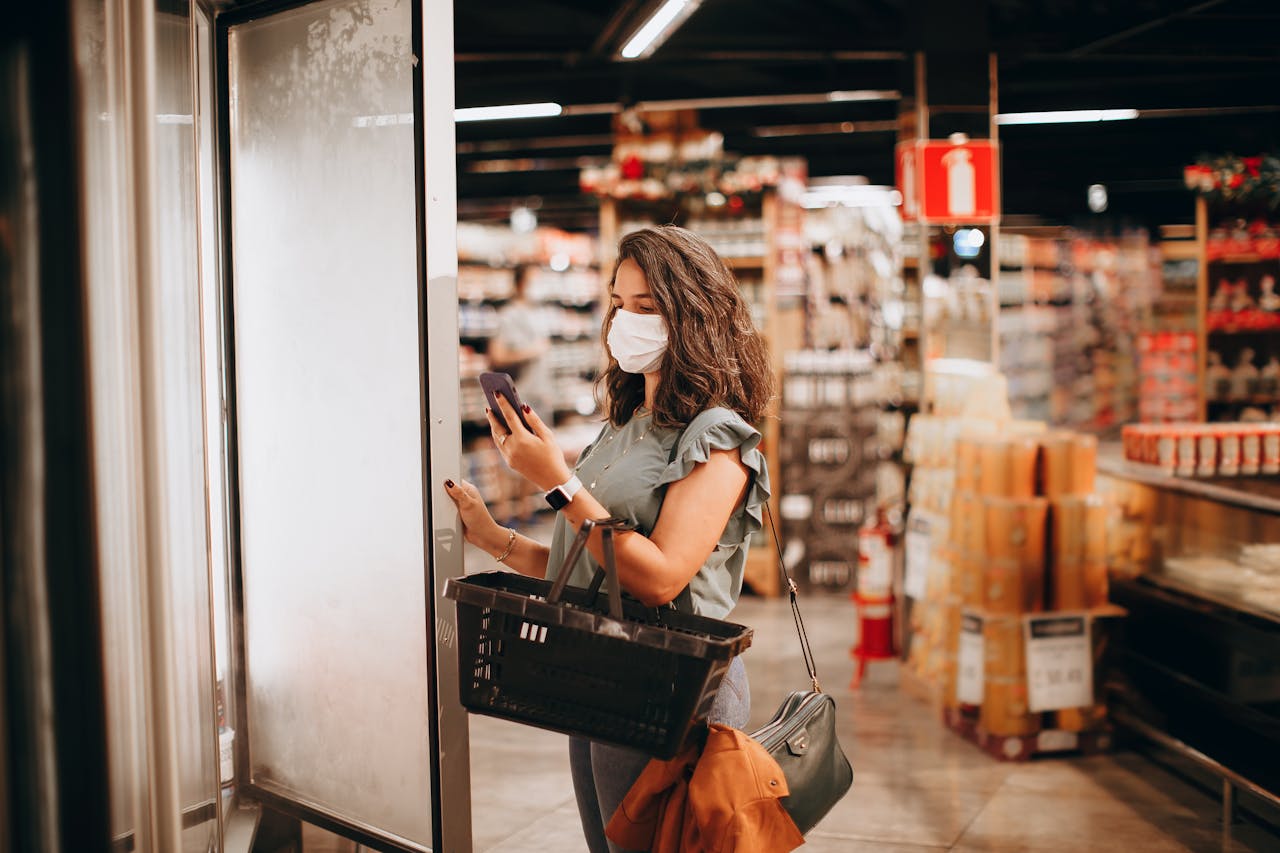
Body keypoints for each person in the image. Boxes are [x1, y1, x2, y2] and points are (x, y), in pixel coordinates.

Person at [444, 225, 774, 853]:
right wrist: (495, 539)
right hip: (602, 664)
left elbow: (658, 576)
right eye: (620, 305)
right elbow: (592, 567)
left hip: (672, 685)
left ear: (696, 318)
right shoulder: (626, 426)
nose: (627, 321)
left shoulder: (718, 439)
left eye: (647, 309)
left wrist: (557, 481)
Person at [486, 263, 553, 521]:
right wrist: (531, 351)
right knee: (510, 448)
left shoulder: (541, 314)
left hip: (540, 394)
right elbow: (498, 355)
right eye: (533, 280)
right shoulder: (508, 316)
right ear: (520, 283)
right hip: (517, 394)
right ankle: (506, 510)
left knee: (537, 448)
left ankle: (526, 509)